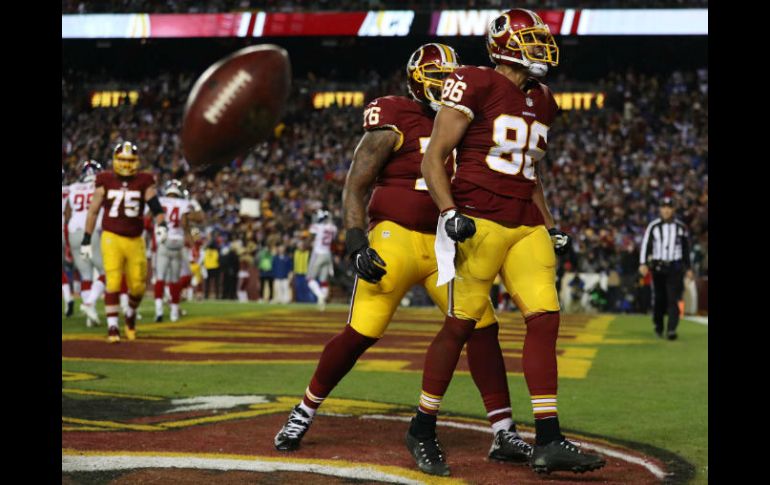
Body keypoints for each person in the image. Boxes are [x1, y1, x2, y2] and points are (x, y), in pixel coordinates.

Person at [274, 43, 531, 471]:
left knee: (483, 327)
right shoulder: (393, 115)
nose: (444, 87)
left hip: (445, 243)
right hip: (394, 235)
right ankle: (304, 410)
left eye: (450, 79)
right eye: (436, 78)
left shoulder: (472, 116)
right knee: (362, 331)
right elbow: (357, 182)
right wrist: (357, 241)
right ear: (415, 82)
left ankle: (503, 429)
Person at [408, 10, 605, 475]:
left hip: (525, 223)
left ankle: (549, 437)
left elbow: (530, 172)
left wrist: (551, 222)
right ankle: (421, 426)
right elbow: (434, 157)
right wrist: (449, 211)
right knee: (461, 325)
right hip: (478, 220)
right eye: (532, 40)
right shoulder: (473, 81)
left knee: (545, 319)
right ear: (506, 44)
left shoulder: (544, 99)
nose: (542, 48)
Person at [80, 141, 167, 343]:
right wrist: (86, 238)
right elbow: (93, 211)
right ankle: (112, 326)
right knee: (112, 280)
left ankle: (130, 314)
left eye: (130, 161)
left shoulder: (144, 180)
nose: (126, 165)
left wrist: (162, 224)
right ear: (115, 160)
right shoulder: (105, 180)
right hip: (111, 236)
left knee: (137, 286)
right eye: (123, 160)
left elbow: (155, 206)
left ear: (136, 161)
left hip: (135, 238)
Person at [639, 196, 692, 340]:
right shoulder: (654, 226)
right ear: (660, 209)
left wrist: (688, 267)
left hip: (675, 267)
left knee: (673, 298)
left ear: (673, 209)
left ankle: (671, 330)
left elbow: (686, 248)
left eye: (669, 207)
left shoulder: (680, 227)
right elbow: (646, 245)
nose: (666, 210)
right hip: (658, 267)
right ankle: (659, 326)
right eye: (664, 207)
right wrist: (643, 263)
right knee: (660, 299)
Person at [65, 160, 105, 327]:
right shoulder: (101, 187)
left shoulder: (73, 188)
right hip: (92, 231)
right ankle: (90, 304)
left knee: (86, 275)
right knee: (107, 271)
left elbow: (66, 214)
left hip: (73, 232)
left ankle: (90, 317)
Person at [153, 180, 193, 322]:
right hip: (177, 241)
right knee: (175, 280)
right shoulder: (183, 203)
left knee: (160, 278)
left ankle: (158, 310)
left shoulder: (160, 200)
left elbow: (149, 216)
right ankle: (174, 313)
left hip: (164, 241)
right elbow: (183, 223)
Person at [306, 209, 338, 310]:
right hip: (328, 255)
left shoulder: (317, 227)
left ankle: (320, 296)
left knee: (310, 279)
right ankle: (323, 303)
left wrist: (307, 244)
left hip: (318, 254)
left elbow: (309, 238)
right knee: (324, 281)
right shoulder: (333, 228)